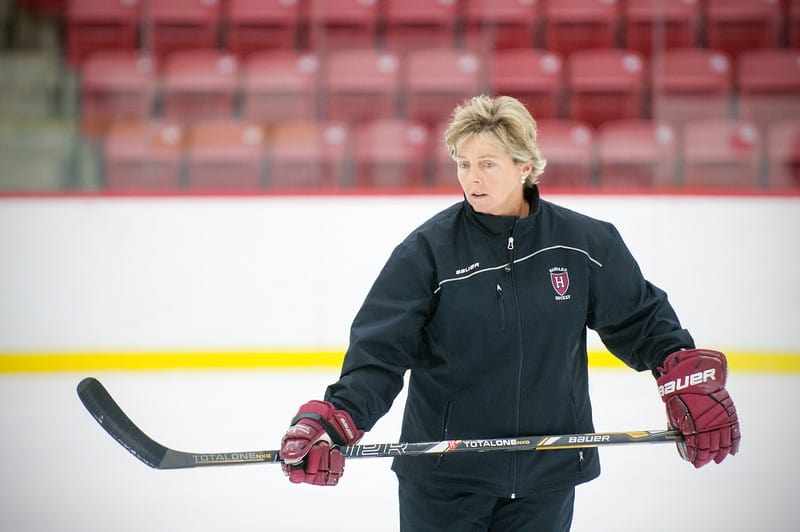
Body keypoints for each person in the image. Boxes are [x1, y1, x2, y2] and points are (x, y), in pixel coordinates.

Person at [279, 95, 740, 531]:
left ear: (525, 166)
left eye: (487, 164)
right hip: (444, 480)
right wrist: (336, 418)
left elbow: (642, 321)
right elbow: (379, 353)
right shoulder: (427, 251)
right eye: (462, 164)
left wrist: (682, 375)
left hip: (548, 475)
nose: (471, 178)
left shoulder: (584, 244)